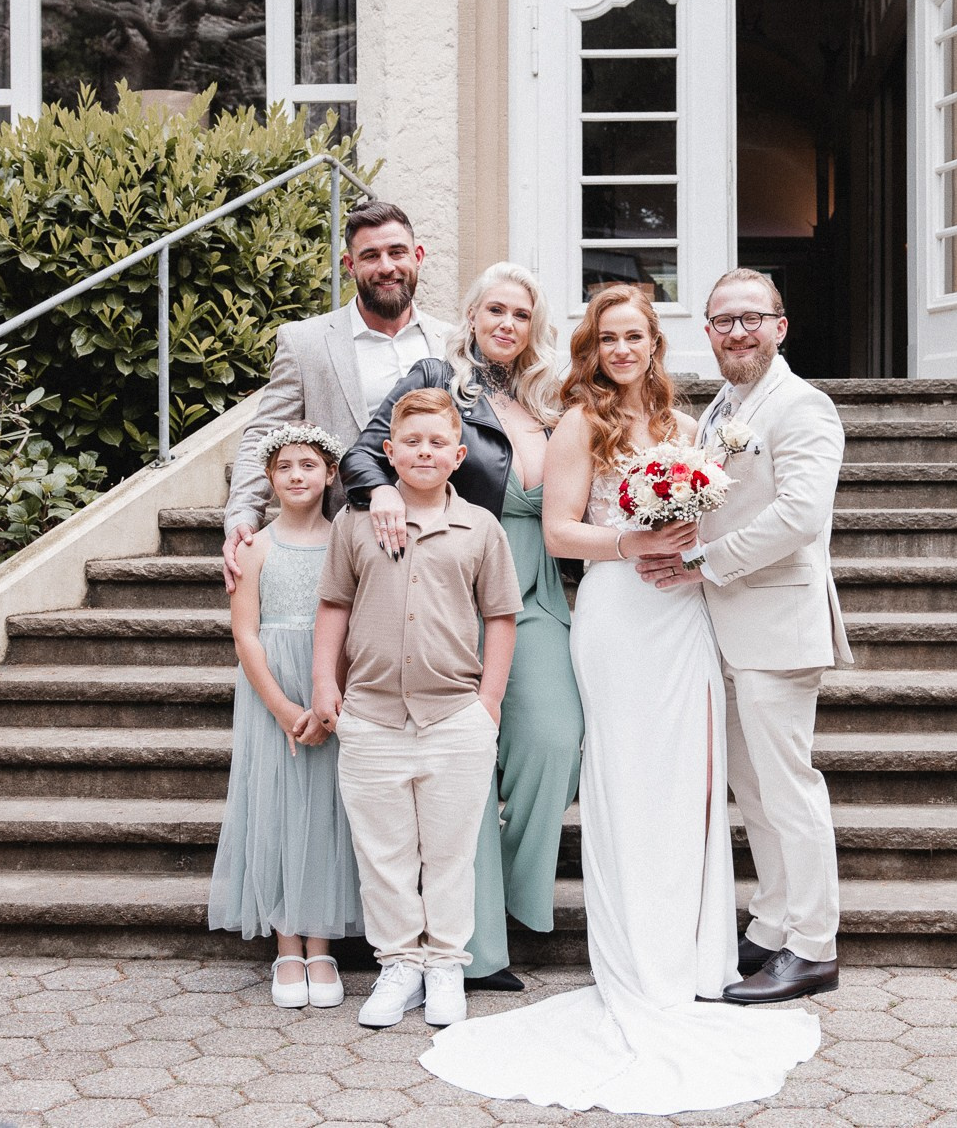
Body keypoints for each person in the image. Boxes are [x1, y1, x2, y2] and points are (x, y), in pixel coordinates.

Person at [420, 286, 820, 1115]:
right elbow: (562, 531)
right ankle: (640, 963)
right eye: (609, 338)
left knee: (690, 786)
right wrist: (632, 542)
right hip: (616, 614)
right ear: (592, 348)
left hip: (686, 615)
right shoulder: (578, 423)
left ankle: (697, 958)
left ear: (656, 343)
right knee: (629, 784)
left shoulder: (688, 425)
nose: (624, 349)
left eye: (637, 335)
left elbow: (724, 514)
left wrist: (691, 546)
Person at [339, 262, 580, 994]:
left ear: (535, 327)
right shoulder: (437, 375)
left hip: (537, 588)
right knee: (462, 758)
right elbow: (361, 449)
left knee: (551, 739)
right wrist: (380, 489)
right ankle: (475, 950)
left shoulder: (552, 397)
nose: (507, 323)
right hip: (452, 586)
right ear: (472, 315)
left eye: (521, 314)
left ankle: (499, 897)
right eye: (495, 309)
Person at [636, 268, 852, 1004]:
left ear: (780, 326)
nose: (736, 332)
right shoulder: (723, 407)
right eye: (723, 320)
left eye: (751, 318)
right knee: (754, 789)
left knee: (790, 790)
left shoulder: (803, 407)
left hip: (779, 624)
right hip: (727, 627)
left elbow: (798, 517)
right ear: (707, 331)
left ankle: (815, 944)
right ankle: (771, 922)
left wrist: (701, 561)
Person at [310, 389, 522, 1030]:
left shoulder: (481, 528)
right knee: (385, 853)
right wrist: (325, 683)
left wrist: (488, 704)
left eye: (437, 443)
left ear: (458, 456)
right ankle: (400, 964)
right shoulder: (355, 523)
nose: (424, 452)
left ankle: (447, 965)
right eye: (412, 442)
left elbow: (501, 617)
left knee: (450, 852)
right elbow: (333, 608)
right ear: (388, 451)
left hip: (455, 717)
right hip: (372, 716)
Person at [207, 423, 364, 1008]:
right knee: (275, 807)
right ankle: (286, 945)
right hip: (272, 690)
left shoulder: (344, 541)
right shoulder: (254, 546)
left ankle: (320, 943)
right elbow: (245, 635)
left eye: (308, 465)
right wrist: (281, 707)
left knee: (324, 810)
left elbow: (352, 626)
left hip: (328, 687)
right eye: (284, 468)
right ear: (269, 479)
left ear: (330, 475)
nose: (297, 476)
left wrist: (326, 705)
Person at [221, 199, 452, 593]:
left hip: (439, 541)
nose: (386, 266)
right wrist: (243, 512)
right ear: (349, 266)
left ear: (417, 256)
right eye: (370, 255)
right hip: (341, 541)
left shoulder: (452, 341)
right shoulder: (306, 342)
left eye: (397, 252)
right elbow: (264, 434)